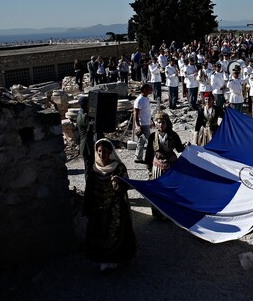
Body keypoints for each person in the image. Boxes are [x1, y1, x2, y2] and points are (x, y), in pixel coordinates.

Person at [83, 138, 136, 272]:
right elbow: (89, 188)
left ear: (110, 152)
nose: (101, 154)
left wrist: (118, 183)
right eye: (99, 151)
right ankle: (100, 261)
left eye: (104, 151)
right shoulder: (94, 168)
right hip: (98, 208)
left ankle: (113, 262)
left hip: (114, 207)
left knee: (115, 233)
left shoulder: (118, 167)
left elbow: (127, 184)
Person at [143, 111, 185, 220]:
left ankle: (169, 214)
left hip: (170, 166)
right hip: (157, 166)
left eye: (163, 123)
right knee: (157, 189)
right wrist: (149, 169)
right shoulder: (153, 136)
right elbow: (149, 153)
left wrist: (188, 148)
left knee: (170, 190)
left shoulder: (173, 135)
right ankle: (158, 214)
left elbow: (180, 148)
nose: (160, 125)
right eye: (158, 122)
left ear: (167, 123)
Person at [133, 84, 153, 163]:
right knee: (150, 141)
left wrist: (151, 120)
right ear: (144, 89)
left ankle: (138, 157)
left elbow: (147, 111)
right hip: (142, 124)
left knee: (141, 141)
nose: (151, 90)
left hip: (146, 123)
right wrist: (138, 125)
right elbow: (136, 113)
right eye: (149, 89)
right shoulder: (140, 100)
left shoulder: (146, 99)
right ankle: (149, 158)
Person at [77, 96, 94, 170]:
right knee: (89, 167)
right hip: (86, 146)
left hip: (86, 144)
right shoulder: (85, 117)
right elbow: (92, 125)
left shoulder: (80, 114)